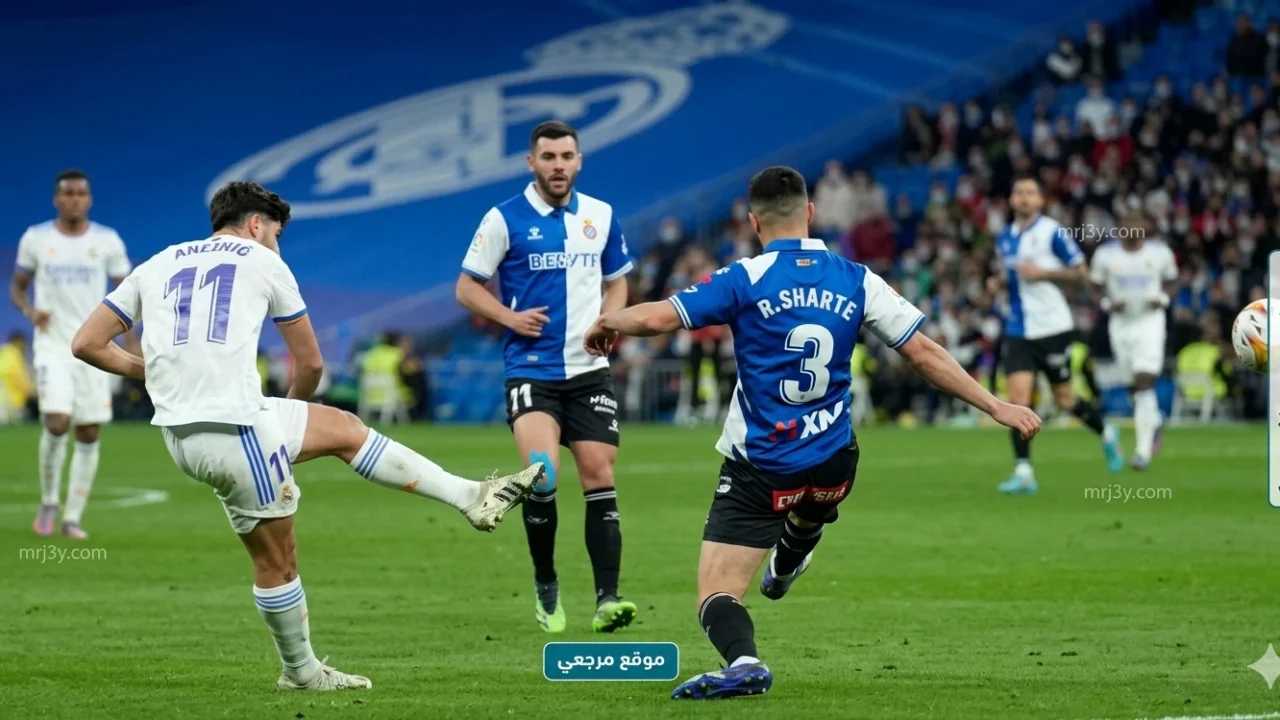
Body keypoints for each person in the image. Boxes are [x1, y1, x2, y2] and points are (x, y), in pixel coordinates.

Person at [582, 166, 1042, 700]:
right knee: (812, 498)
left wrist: (609, 322)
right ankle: (789, 557)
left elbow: (661, 318)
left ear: (754, 222)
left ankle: (745, 662)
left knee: (716, 593)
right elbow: (923, 352)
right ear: (810, 213)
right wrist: (995, 405)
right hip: (834, 460)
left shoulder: (744, 277)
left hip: (763, 467)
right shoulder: (857, 278)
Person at [71, 181, 543, 692]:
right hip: (237, 430)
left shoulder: (158, 263)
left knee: (345, 429)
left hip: (186, 431)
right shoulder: (262, 260)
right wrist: (286, 414)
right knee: (277, 561)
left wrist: (154, 373)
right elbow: (311, 363)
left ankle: (471, 495)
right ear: (256, 225)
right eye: (276, 234)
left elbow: (87, 343)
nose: (277, 244)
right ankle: (301, 674)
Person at [455, 120, 636, 634]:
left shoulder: (601, 215)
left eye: (567, 156)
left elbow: (618, 281)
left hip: (589, 371)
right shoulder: (504, 218)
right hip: (531, 370)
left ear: (579, 161)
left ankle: (607, 599)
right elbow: (467, 287)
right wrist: (509, 318)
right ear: (531, 162)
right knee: (543, 475)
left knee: (599, 475)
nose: (559, 165)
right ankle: (545, 582)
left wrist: (610, 320)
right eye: (549, 157)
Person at [10, 170, 132, 539]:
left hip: (95, 346)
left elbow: (129, 292)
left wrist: (132, 341)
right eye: (68, 193)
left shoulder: (107, 241)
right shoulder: (36, 239)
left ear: (89, 199)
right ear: (56, 199)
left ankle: (72, 518)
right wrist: (31, 311)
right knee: (57, 421)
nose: (74, 199)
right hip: (52, 345)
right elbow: (18, 289)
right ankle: (49, 501)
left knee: (89, 430)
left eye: (81, 193)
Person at [991, 174, 1122, 495]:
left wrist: (1044, 274)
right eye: (1018, 192)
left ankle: (1107, 432)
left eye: (1030, 192)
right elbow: (1013, 276)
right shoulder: (1004, 237)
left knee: (1065, 400)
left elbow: (1082, 276)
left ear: (1040, 200)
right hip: (1018, 329)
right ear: (1011, 200)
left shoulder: (1053, 232)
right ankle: (1024, 472)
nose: (1024, 197)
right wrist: (997, 283)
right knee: (1018, 400)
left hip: (1052, 327)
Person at [1089, 215, 1178, 468]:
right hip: (1121, 324)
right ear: (1119, 230)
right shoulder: (1105, 255)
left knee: (1143, 381)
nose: (1131, 230)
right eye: (1126, 227)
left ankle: (1142, 451)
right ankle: (1154, 420)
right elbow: (1094, 286)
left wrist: (1163, 298)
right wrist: (1106, 303)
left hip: (1150, 322)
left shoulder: (1159, 253)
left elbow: (1173, 280)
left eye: (1136, 226)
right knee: (1132, 386)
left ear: (1145, 228)